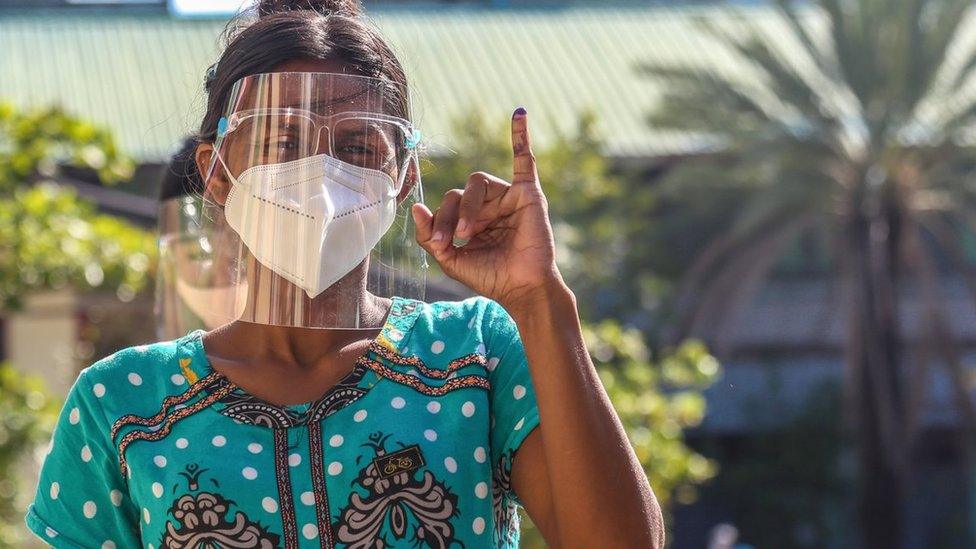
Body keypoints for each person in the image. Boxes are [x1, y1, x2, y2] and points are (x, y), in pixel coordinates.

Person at [24, 0, 663, 547]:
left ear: (404, 176)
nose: (321, 176)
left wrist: (540, 298)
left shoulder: (475, 355)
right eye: (282, 143)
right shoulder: (124, 403)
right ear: (217, 173)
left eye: (358, 149)